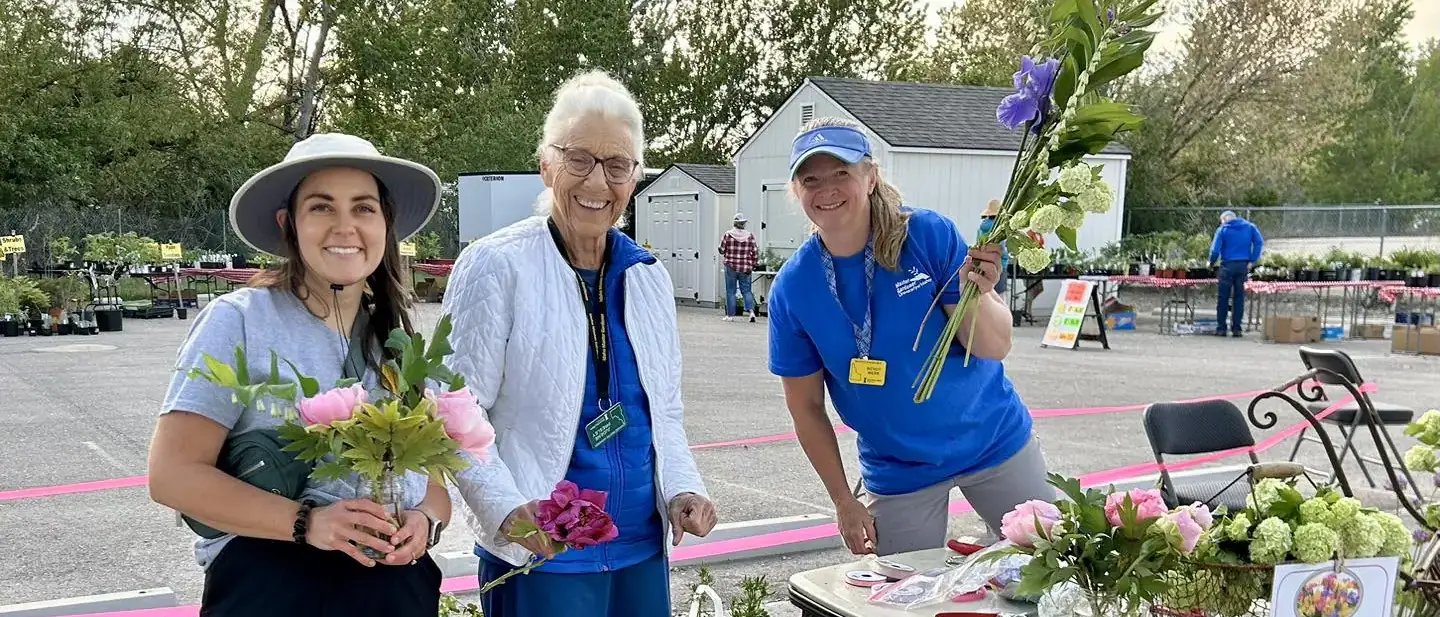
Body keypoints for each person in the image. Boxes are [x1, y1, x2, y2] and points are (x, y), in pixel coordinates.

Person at [443, 71, 717, 617]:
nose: (597, 183)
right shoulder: (497, 265)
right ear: (546, 165)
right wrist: (506, 512)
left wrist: (682, 489)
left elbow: (664, 410)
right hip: (544, 551)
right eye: (578, 159)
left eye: (617, 165)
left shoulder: (648, 275)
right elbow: (453, 407)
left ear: (634, 178)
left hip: (639, 544)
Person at [147, 133, 450, 616]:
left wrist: (425, 521)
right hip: (274, 589)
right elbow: (172, 476)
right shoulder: (240, 321)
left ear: (386, 223)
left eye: (364, 208)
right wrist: (305, 521)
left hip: (393, 592)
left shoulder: (398, 341)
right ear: (289, 223)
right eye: (322, 207)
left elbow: (431, 483)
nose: (345, 226)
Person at [767, 117, 1053, 558]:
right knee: (902, 599)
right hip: (899, 468)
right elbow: (805, 408)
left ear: (870, 175)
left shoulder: (925, 235)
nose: (826, 189)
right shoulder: (793, 288)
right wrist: (844, 501)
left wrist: (978, 292)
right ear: (797, 191)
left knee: (1054, 568)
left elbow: (994, 347)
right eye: (811, 179)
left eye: (841, 172)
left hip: (992, 440)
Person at [1210, 210, 1264, 337]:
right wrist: (1252, 260)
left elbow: (1215, 250)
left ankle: (1221, 328)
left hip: (1227, 266)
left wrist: (1211, 263)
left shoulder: (1222, 229)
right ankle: (1236, 328)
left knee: (1223, 298)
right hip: (1243, 266)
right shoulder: (1250, 227)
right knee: (1239, 298)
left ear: (1223, 220)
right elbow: (1259, 242)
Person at [719, 212, 759, 322]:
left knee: (730, 291)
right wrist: (754, 264)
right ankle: (751, 312)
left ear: (734, 223)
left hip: (731, 266)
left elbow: (721, 249)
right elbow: (755, 252)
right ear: (744, 223)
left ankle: (730, 315)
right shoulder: (749, 236)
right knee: (746, 291)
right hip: (746, 267)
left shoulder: (728, 234)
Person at [976, 200, 1009, 295]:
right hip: (999, 265)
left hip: (983, 265)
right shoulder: (999, 229)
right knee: (999, 296)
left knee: (986, 294)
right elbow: (1002, 249)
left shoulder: (981, 228)